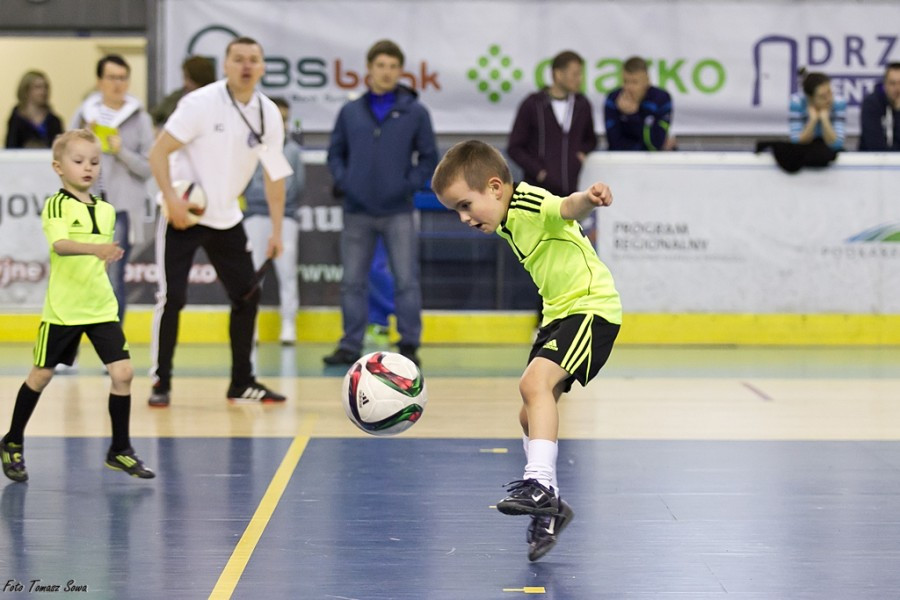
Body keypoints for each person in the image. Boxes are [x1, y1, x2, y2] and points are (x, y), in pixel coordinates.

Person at [431, 140, 621, 562]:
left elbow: (565, 208)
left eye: (466, 205)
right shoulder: (502, 220)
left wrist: (588, 199)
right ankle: (551, 507)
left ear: (496, 187)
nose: (463, 218)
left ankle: (539, 483)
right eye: (456, 212)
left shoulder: (528, 201)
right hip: (559, 314)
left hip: (590, 307)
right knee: (529, 410)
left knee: (534, 383)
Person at [0, 129, 155, 483]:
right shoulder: (57, 204)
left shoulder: (106, 210)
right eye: (79, 161)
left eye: (95, 162)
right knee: (41, 376)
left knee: (124, 374)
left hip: (100, 307)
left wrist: (101, 258)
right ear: (58, 167)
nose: (88, 168)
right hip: (64, 311)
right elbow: (61, 245)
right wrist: (98, 250)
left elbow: (97, 260)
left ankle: (120, 449)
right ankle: (12, 440)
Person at [147, 36, 290, 407]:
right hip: (185, 213)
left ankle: (242, 382)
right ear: (225, 65)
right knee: (173, 297)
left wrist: (276, 230)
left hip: (226, 215)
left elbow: (275, 175)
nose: (245, 66)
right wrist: (171, 201)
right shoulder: (199, 104)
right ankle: (161, 381)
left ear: (261, 68)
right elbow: (158, 153)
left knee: (247, 294)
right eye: (238, 59)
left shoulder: (267, 113)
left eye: (253, 60)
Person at [323, 39, 437, 367]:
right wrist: (347, 183)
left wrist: (407, 185)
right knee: (352, 282)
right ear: (369, 70)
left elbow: (429, 157)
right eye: (380, 66)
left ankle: (410, 342)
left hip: (398, 209)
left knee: (405, 279)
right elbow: (335, 153)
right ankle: (349, 344)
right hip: (357, 210)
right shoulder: (350, 111)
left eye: (392, 67)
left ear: (400, 71)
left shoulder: (415, 112)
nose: (386, 72)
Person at [71, 54, 155, 323]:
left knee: (114, 274)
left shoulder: (140, 118)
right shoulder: (85, 114)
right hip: (86, 207)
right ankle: (71, 346)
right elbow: (64, 159)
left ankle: (113, 346)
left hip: (121, 210)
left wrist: (122, 152)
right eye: (112, 78)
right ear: (99, 81)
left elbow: (147, 168)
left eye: (123, 78)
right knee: (80, 275)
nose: (118, 84)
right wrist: (85, 141)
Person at [242, 96, 304, 345]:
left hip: (286, 216)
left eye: (285, 119)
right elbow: (245, 181)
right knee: (253, 271)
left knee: (287, 271)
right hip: (255, 214)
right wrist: (263, 198)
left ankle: (288, 323)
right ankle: (251, 323)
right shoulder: (250, 148)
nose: (281, 123)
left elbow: (298, 185)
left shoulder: (292, 151)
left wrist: (282, 202)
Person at [508, 50, 597, 197]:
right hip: (537, 192)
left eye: (581, 74)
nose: (580, 79)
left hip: (570, 193)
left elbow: (591, 139)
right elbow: (515, 147)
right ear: (558, 74)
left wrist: (581, 153)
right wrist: (539, 172)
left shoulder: (582, 105)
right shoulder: (532, 104)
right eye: (575, 74)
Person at [604, 56, 675, 151]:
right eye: (625, 82)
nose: (628, 88)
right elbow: (614, 143)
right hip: (621, 160)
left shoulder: (661, 99)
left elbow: (655, 143)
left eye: (634, 82)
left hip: (653, 162)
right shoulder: (613, 99)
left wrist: (633, 115)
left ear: (647, 80)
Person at [150, 55, 217, 127]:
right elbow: (153, 117)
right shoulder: (176, 97)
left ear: (199, 79)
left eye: (189, 79)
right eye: (185, 78)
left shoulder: (217, 100)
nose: (185, 84)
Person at [5, 70, 64, 149]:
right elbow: (10, 148)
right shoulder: (16, 120)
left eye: (45, 87)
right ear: (26, 90)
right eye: (38, 87)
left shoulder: (54, 121)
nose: (43, 92)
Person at [789, 69, 846, 151]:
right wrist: (812, 120)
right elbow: (796, 143)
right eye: (823, 96)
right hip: (805, 151)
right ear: (810, 98)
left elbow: (837, 145)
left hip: (829, 151)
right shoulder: (797, 103)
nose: (829, 99)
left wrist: (825, 120)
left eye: (830, 92)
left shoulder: (838, 103)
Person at [858, 62, 900, 151]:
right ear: (885, 85)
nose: (897, 88)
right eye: (892, 83)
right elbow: (875, 147)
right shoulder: (871, 104)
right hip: (872, 161)